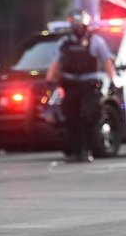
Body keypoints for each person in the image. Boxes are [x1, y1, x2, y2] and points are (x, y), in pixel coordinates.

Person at [46, 9, 116, 163]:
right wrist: (50, 79)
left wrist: (112, 80)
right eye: (75, 24)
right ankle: (75, 151)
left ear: (86, 25)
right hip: (70, 84)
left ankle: (86, 150)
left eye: (80, 24)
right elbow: (56, 62)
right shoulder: (64, 43)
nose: (78, 28)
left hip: (89, 85)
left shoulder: (96, 41)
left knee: (88, 117)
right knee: (71, 119)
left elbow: (106, 61)